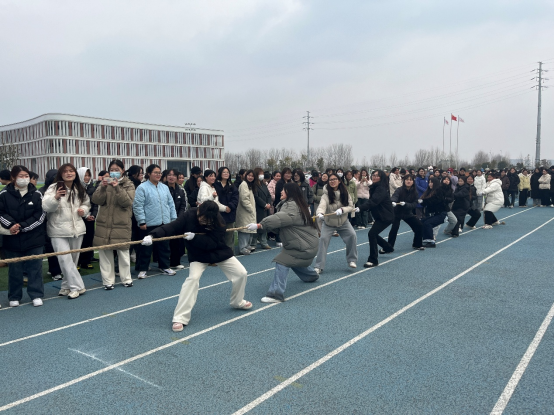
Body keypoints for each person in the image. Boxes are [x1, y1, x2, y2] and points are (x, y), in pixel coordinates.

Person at [145, 201, 252, 332]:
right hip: (198, 255)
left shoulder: (220, 222)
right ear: (199, 211)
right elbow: (172, 227)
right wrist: (152, 235)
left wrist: (195, 238)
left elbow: (212, 243)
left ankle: (237, 302)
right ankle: (180, 317)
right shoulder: (189, 215)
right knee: (193, 279)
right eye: (202, 218)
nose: (203, 221)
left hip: (218, 251)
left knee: (241, 273)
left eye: (207, 220)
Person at [247, 183, 320, 303]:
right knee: (293, 260)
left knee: (282, 261)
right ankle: (311, 275)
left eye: (283, 190)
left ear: (290, 192)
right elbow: (282, 225)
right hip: (306, 245)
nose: (281, 192)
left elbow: (281, 218)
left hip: (303, 246)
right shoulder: (296, 204)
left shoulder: (291, 205)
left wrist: (261, 225)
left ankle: (275, 294)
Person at [43, 163, 91, 299]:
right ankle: (78, 287)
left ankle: (65, 286)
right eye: (65, 171)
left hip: (77, 229)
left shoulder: (79, 188)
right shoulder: (53, 188)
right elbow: (46, 207)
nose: (69, 173)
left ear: (75, 173)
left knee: (73, 261)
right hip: (58, 230)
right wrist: (56, 197)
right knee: (64, 260)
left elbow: (87, 203)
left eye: (71, 171)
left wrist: (83, 210)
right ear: (61, 174)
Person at [0, 165, 46, 308]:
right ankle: (14, 296)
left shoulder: (37, 194)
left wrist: (23, 226)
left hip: (34, 238)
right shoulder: (4, 194)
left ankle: (36, 294)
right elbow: (1, 212)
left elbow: (40, 215)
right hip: (12, 238)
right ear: (13, 177)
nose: (24, 179)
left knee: (35, 268)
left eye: (27, 176)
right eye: (21, 176)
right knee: (15, 269)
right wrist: (11, 225)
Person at [92, 160, 135, 289]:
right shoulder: (104, 183)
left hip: (121, 224)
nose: (114, 172)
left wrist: (117, 187)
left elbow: (127, 202)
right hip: (104, 223)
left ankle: (126, 279)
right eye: (112, 170)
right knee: (105, 253)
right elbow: (96, 200)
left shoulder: (128, 184)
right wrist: (102, 187)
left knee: (123, 252)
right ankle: (108, 281)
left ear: (123, 170)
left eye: (117, 170)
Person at [133, 164, 177, 279]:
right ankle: (143, 269)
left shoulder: (164, 187)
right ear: (149, 174)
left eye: (159, 173)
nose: (158, 175)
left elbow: (171, 204)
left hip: (164, 223)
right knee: (146, 248)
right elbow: (138, 206)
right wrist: (141, 221)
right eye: (155, 172)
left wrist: (173, 220)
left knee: (164, 247)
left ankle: (165, 266)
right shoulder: (142, 187)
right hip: (149, 223)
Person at [314, 173, 358, 273]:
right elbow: (322, 205)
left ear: (339, 181)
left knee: (352, 235)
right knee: (323, 240)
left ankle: (352, 260)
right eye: (330, 180)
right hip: (329, 223)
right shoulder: (325, 194)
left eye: (334, 179)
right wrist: (320, 213)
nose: (332, 181)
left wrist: (342, 210)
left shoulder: (345, 192)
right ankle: (318, 266)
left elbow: (350, 206)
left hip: (343, 221)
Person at [359, 170, 394, 267]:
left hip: (386, 216)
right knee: (373, 234)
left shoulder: (380, 189)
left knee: (372, 234)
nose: (375, 177)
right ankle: (388, 247)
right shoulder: (374, 187)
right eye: (373, 175)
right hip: (380, 216)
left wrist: (360, 208)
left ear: (381, 178)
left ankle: (373, 259)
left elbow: (374, 201)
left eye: (377, 176)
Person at [387, 174, 423, 250]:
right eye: (407, 180)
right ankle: (389, 247)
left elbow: (414, 204)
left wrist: (406, 204)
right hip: (397, 213)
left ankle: (417, 244)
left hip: (407, 213)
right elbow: (395, 196)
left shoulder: (415, 192)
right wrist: (393, 202)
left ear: (413, 182)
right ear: (404, 181)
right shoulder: (399, 190)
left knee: (419, 226)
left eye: (410, 180)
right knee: (394, 229)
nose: (408, 181)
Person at [39, 169, 63, 280]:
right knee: (50, 247)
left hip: (58, 222)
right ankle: (55, 271)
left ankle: (55, 269)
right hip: (44, 223)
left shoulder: (61, 189)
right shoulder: (42, 191)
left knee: (57, 247)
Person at [163, 168, 187, 270]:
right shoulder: (162, 189)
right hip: (165, 219)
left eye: (173, 175)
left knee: (177, 241)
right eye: (169, 175)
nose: (171, 177)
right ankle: (164, 263)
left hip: (177, 220)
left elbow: (183, 205)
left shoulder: (180, 190)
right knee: (165, 242)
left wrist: (178, 218)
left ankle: (175, 262)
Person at [77, 167, 98, 270]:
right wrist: (85, 215)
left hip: (90, 218)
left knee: (88, 240)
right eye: (85, 175)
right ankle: (77, 262)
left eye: (88, 175)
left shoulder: (92, 188)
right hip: (79, 218)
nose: (87, 177)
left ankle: (86, 261)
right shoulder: (75, 188)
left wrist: (93, 215)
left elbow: (95, 204)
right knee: (79, 241)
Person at [215, 166, 240, 250]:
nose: (226, 174)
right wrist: (223, 208)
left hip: (230, 214)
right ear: (220, 174)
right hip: (218, 215)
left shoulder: (232, 186)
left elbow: (235, 199)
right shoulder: (215, 185)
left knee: (229, 236)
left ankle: (230, 253)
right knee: (219, 236)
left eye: (227, 172)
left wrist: (230, 207)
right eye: (224, 172)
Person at [420, 177, 448, 248]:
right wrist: (420, 201)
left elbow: (434, 201)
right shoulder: (428, 191)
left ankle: (431, 242)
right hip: (433, 214)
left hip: (441, 213)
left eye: (431, 182)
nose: (430, 184)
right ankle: (425, 239)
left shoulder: (439, 191)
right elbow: (424, 203)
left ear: (435, 183)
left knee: (428, 223)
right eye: (429, 182)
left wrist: (424, 201)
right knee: (421, 222)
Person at [236, 170, 258, 255]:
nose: (250, 177)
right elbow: (244, 199)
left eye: (252, 176)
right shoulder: (244, 184)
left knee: (249, 229)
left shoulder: (250, 185)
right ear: (246, 176)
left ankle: (247, 245)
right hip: (245, 211)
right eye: (249, 175)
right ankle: (242, 248)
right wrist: (251, 209)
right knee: (244, 229)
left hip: (249, 211)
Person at [126, 165, 144, 263]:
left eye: (142, 173)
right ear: (133, 174)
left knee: (138, 240)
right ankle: (119, 266)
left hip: (138, 217)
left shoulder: (140, 185)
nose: (142, 175)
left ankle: (138, 261)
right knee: (130, 240)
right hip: (130, 217)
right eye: (140, 173)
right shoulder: (129, 184)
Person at [253, 167, 272, 250]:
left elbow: (268, 195)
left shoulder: (263, 184)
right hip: (258, 208)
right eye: (260, 174)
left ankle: (264, 242)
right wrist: (264, 205)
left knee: (264, 226)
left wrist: (268, 204)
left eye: (262, 174)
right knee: (257, 226)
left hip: (265, 209)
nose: (262, 175)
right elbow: (256, 197)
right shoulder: (254, 185)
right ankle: (253, 243)